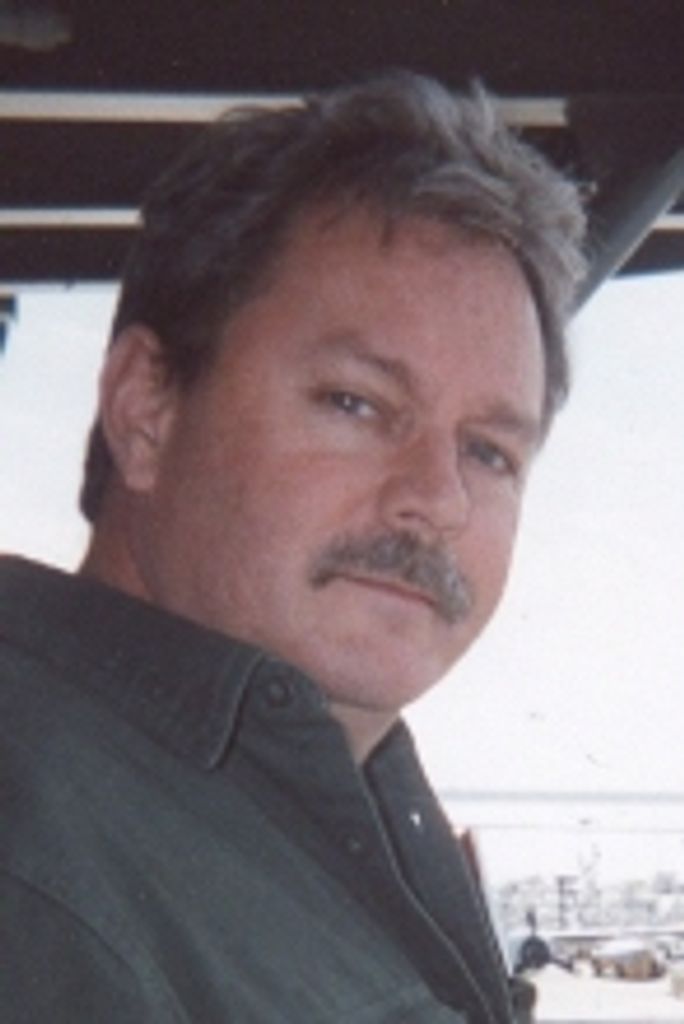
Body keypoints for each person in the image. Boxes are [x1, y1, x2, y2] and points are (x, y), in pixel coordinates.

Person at [0, 71, 586, 1022]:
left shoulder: (272, 821)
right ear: (146, 409)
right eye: (356, 403)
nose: (438, 499)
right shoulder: (41, 876)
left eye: (489, 451)